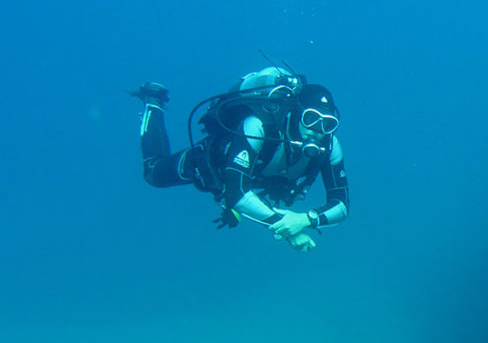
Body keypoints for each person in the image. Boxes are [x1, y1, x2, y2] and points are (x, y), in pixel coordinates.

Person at [130, 68, 349, 252]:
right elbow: (237, 194)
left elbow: (342, 204)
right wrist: (289, 229)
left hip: (259, 179)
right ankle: (153, 103)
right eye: (311, 119)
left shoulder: (330, 146)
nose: (317, 131)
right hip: (215, 166)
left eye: (327, 124)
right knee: (153, 173)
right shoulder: (259, 126)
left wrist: (304, 220)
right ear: (296, 113)